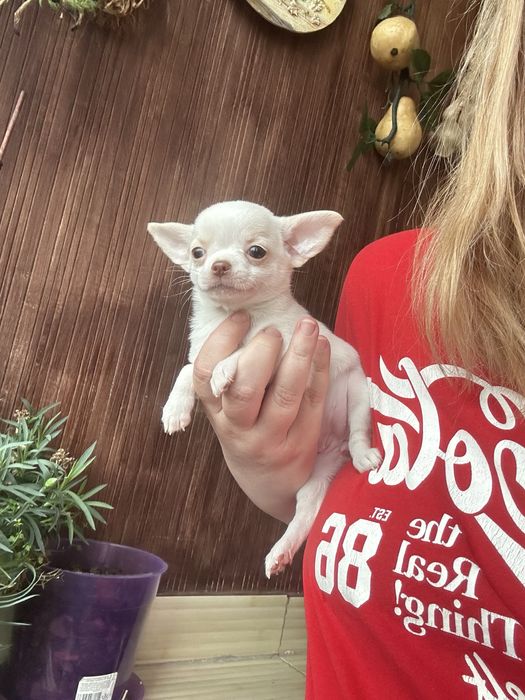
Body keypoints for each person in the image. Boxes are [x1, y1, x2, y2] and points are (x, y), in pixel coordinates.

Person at [192, 0, 525, 696]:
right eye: (202, 254)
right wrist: (267, 465)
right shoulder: (389, 279)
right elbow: (354, 497)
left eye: (254, 251)